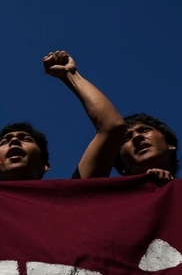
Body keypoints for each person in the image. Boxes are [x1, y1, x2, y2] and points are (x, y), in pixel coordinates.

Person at [42, 50, 128, 180]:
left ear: (43, 165)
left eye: (25, 139)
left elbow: (112, 126)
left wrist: (70, 74)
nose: (14, 141)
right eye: (7, 140)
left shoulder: (70, 192)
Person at [113, 113, 179, 184]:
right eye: (126, 138)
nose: (136, 136)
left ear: (169, 144)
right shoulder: (109, 190)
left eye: (144, 130)